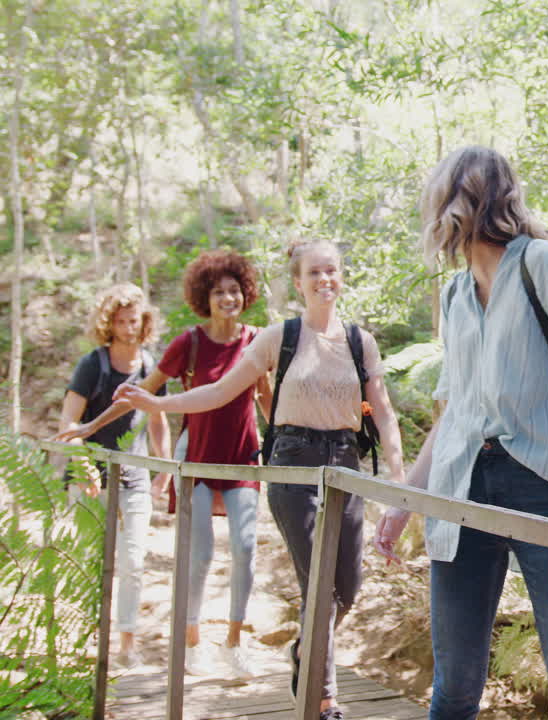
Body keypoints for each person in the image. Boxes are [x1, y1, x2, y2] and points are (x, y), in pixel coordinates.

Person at [373, 145, 548, 720]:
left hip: (541, 484)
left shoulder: (543, 265)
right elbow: (454, 415)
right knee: (454, 688)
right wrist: (405, 501)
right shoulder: (455, 295)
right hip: (460, 490)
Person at [116, 239, 406, 720]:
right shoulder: (278, 337)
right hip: (293, 462)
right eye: (313, 273)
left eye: (330, 270)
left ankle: (302, 650)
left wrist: (399, 479)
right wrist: (160, 404)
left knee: (347, 589)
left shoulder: (360, 341)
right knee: (318, 586)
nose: (323, 280)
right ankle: (322, 697)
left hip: (345, 462)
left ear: (341, 275)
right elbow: (220, 390)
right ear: (298, 282)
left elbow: (386, 412)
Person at [58, 250, 273, 679]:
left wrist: (289, 440)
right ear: (205, 297)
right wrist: (87, 429)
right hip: (195, 455)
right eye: (218, 292)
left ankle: (234, 641)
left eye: (234, 291)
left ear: (244, 294)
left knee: (246, 549)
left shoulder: (256, 340)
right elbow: (140, 396)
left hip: (242, 454)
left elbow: (267, 400)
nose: (227, 298)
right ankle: (192, 644)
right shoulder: (188, 343)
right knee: (200, 554)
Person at [56, 283, 171, 669]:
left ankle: (126, 643)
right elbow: (69, 421)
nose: (127, 328)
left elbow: (157, 419)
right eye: (120, 321)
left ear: (144, 322)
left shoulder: (151, 366)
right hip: (89, 475)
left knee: (134, 561)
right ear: (109, 323)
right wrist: (83, 466)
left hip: (134, 477)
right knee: (88, 562)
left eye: (133, 320)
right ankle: (87, 640)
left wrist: (164, 469)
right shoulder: (94, 364)